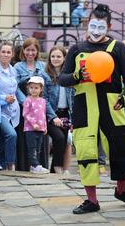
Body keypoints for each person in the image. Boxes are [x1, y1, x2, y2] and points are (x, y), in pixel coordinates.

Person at [59, 3, 125, 214]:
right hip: (84, 108)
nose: (95, 32)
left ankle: (121, 190)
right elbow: (62, 78)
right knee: (86, 153)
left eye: (101, 27)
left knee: (122, 150)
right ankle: (92, 201)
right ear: (88, 24)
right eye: (93, 26)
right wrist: (77, 77)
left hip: (112, 106)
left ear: (109, 25)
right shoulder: (76, 49)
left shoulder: (118, 48)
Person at [14, 37, 47, 171]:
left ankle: (39, 165)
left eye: (33, 50)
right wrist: (27, 101)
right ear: (23, 51)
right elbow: (15, 87)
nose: (30, 53)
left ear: (37, 51)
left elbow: (47, 86)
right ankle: (26, 166)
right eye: (27, 50)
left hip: (39, 108)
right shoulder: (18, 66)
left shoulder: (42, 66)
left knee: (38, 141)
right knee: (27, 140)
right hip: (25, 108)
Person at [41, 45, 74, 174]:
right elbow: (44, 99)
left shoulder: (68, 75)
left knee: (64, 140)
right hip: (49, 114)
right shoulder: (45, 75)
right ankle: (57, 168)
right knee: (59, 137)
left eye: (58, 56)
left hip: (65, 113)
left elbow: (72, 97)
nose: (55, 59)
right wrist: (53, 117)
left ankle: (55, 171)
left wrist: (73, 117)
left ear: (64, 58)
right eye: (53, 56)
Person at [0, 41, 20, 171]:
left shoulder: (13, 70)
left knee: (3, 138)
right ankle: (11, 164)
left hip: (13, 110)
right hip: (0, 110)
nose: (5, 54)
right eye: (3, 51)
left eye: (8, 52)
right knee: (11, 135)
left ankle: (1, 165)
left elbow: (15, 91)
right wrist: (5, 99)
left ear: (12, 54)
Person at [23, 76, 48, 174]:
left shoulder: (43, 101)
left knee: (38, 148)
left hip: (41, 129)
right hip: (30, 129)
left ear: (41, 89)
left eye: (36, 88)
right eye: (31, 87)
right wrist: (33, 124)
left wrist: (45, 126)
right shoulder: (28, 100)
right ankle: (34, 164)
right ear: (28, 88)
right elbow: (25, 114)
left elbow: (43, 114)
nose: (33, 90)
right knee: (32, 148)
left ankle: (35, 165)